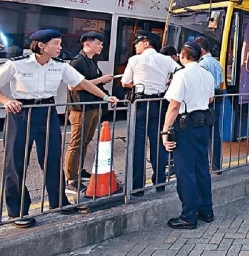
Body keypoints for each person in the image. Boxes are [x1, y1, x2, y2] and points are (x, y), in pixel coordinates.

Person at [0, 29, 118, 228]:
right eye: (56, 43)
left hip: (47, 111)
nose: (60, 47)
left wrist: (105, 97)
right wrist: (6, 100)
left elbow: (82, 83)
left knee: (53, 157)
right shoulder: (16, 64)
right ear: (41, 45)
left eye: (60, 43)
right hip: (21, 112)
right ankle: (17, 211)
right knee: (16, 162)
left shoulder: (60, 66)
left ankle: (58, 202)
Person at [161, 41, 215, 229]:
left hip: (186, 126)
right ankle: (206, 210)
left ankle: (188, 217)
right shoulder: (207, 74)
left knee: (185, 172)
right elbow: (210, 99)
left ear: (183, 56)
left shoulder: (181, 75)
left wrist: (165, 131)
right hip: (203, 125)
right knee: (202, 169)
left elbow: (174, 105)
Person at [121, 30, 180, 195]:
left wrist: (138, 83)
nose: (135, 46)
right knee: (158, 144)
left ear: (146, 42)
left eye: (137, 43)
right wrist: (166, 83)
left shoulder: (135, 60)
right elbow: (180, 73)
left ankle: (137, 187)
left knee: (137, 146)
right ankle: (160, 182)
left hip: (140, 104)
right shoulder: (166, 60)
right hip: (159, 104)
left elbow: (125, 82)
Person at [64, 31, 114, 194]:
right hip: (80, 108)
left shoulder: (91, 61)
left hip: (93, 107)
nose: (101, 46)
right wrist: (101, 80)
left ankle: (79, 170)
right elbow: (74, 86)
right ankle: (70, 179)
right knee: (76, 143)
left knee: (86, 141)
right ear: (87, 43)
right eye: (98, 43)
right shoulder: (77, 62)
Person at [194, 36, 224, 174]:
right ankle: (217, 166)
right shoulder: (217, 63)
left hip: (207, 99)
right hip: (218, 96)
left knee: (203, 132)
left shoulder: (202, 64)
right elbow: (222, 83)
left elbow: (201, 84)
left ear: (200, 50)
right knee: (215, 132)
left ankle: (204, 165)